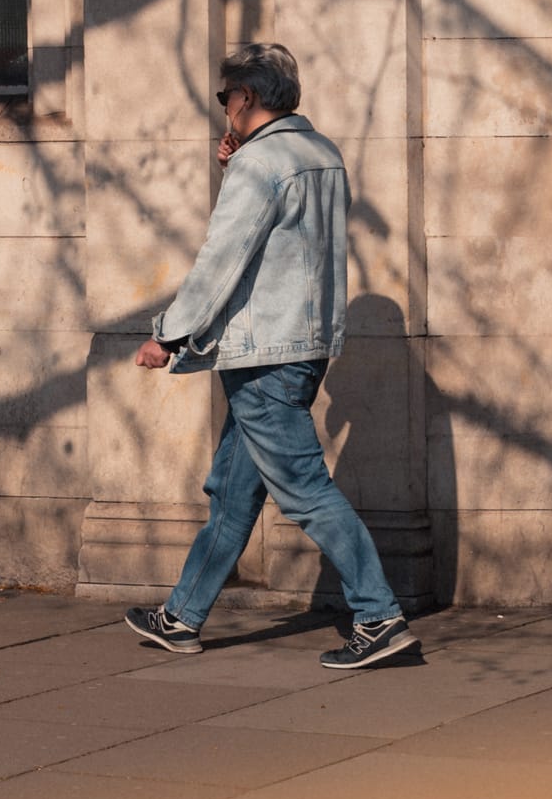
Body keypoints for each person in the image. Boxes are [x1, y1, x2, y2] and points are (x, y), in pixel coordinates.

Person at [125, 42, 419, 671]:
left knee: (305, 491)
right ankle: (182, 616)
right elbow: (285, 245)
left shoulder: (261, 165)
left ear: (248, 96)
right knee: (233, 494)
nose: (223, 107)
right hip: (302, 347)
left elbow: (223, 259)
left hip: (262, 355)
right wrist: (238, 163)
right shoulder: (322, 154)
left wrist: (169, 334)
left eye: (225, 96)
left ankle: (379, 617)